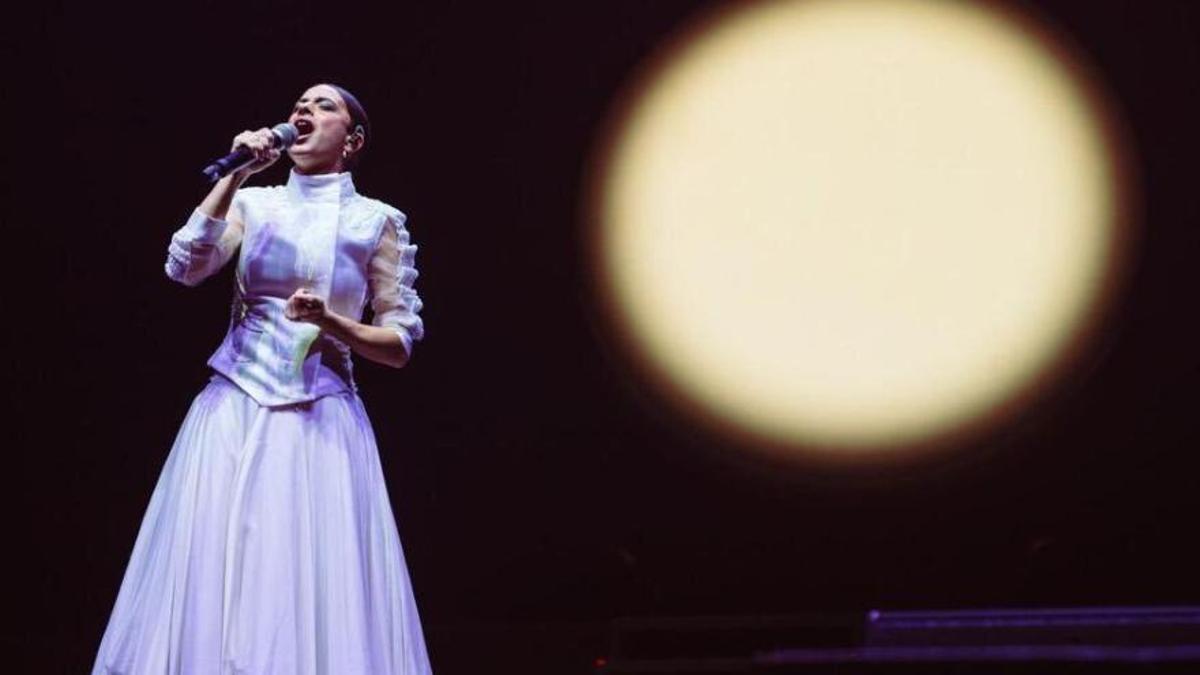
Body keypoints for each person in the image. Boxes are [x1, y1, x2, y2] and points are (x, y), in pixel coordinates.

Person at [91, 84, 433, 675]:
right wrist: (236, 176)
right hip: (234, 406)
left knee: (306, 578)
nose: (304, 110)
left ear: (352, 141)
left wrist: (331, 321)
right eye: (300, 103)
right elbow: (184, 267)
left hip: (319, 416)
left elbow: (399, 345)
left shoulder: (374, 221)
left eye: (324, 105)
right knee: (214, 575)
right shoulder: (256, 204)